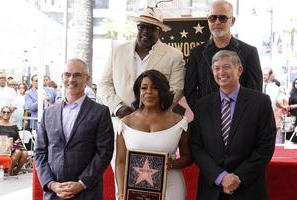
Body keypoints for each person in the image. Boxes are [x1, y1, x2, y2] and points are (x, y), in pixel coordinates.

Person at [189, 50, 276, 200]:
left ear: (239, 70)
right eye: (216, 68)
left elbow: (265, 146)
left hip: (248, 189)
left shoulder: (261, 102)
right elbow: (196, 146)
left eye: (226, 67)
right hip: (212, 190)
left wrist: (237, 177)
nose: (221, 72)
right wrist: (221, 177)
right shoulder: (202, 106)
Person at [34, 58, 114, 200]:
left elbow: (104, 152)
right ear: (62, 78)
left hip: (87, 193)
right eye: (67, 75)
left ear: (87, 79)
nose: (71, 79)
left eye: (77, 75)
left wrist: (82, 183)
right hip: (54, 194)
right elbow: (40, 152)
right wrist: (51, 184)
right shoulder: (49, 112)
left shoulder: (100, 112)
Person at [115, 70, 191, 200]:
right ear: (139, 93)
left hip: (171, 189)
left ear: (163, 92)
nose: (149, 92)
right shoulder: (125, 123)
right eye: (144, 88)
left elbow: (188, 157)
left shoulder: (180, 122)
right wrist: (122, 194)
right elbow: (120, 162)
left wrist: (172, 164)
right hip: (134, 192)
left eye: (155, 88)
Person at [99, 7, 185, 119]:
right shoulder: (117, 51)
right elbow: (104, 83)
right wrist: (118, 107)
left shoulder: (174, 56)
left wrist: (152, 112)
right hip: (121, 121)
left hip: (156, 123)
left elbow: (176, 90)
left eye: (151, 28)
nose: (145, 31)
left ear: (160, 32)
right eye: (141, 26)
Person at [184, 0, 262, 109]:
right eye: (212, 18)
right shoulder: (197, 53)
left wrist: (241, 115)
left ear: (232, 21)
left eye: (222, 18)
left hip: (240, 119)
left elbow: (255, 91)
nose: (217, 22)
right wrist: (203, 113)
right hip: (207, 119)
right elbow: (189, 90)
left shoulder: (249, 52)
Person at [0, 106, 28, 176]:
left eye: (8, 112)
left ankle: (16, 171)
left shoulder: (14, 125)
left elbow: (17, 138)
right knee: (18, 151)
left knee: (25, 153)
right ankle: (9, 171)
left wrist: (17, 142)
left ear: (10, 114)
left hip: (13, 144)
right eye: (4, 112)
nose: (6, 114)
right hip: (1, 146)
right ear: (1, 113)